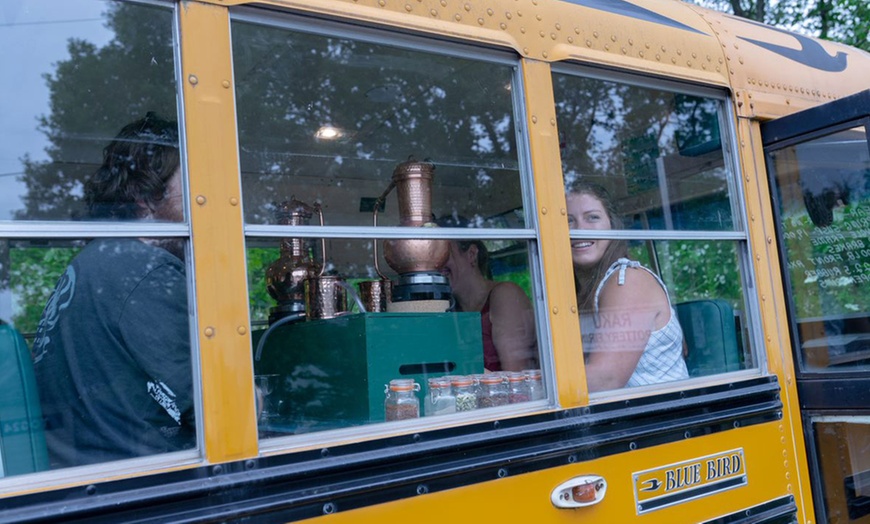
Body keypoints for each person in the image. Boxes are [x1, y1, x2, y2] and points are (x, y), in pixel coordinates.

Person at [32, 112, 194, 468]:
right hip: (132, 485)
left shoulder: (92, 261)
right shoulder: (145, 270)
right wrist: (259, 396)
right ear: (146, 195)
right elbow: (212, 406)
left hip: (79, 478)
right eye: (193, 183)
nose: (204, 202)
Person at [566, 181, 688, 392]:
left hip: (662, 418)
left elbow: (606, 379)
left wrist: (527, 383)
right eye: (568, 221)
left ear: (612, 225)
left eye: (592, 217)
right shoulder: (577, 290)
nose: (579, 230)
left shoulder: (627, 280)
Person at [436, 215, 538, 372]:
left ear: (471, 254)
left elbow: (516, 376)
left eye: (442, 252)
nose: (436, 263)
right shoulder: (450, 308)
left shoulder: (505, 295)